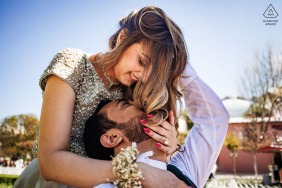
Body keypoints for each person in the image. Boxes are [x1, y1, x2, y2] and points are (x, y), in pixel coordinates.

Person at [14, 6, 191, 188]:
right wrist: (137, 172)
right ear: (123, 38)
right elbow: (50, 162)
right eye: (142, 61)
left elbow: (144, 145)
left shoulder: (137, 88)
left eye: (152, 73)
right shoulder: (74, 64)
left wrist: (167, 143)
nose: (143, 76)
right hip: (55, 181)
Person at [84, 61, 229, 188]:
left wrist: (175, 61)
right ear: (112, 138)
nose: (138, 102)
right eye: (125, 104)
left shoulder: (184, 167)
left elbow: (215, 119)